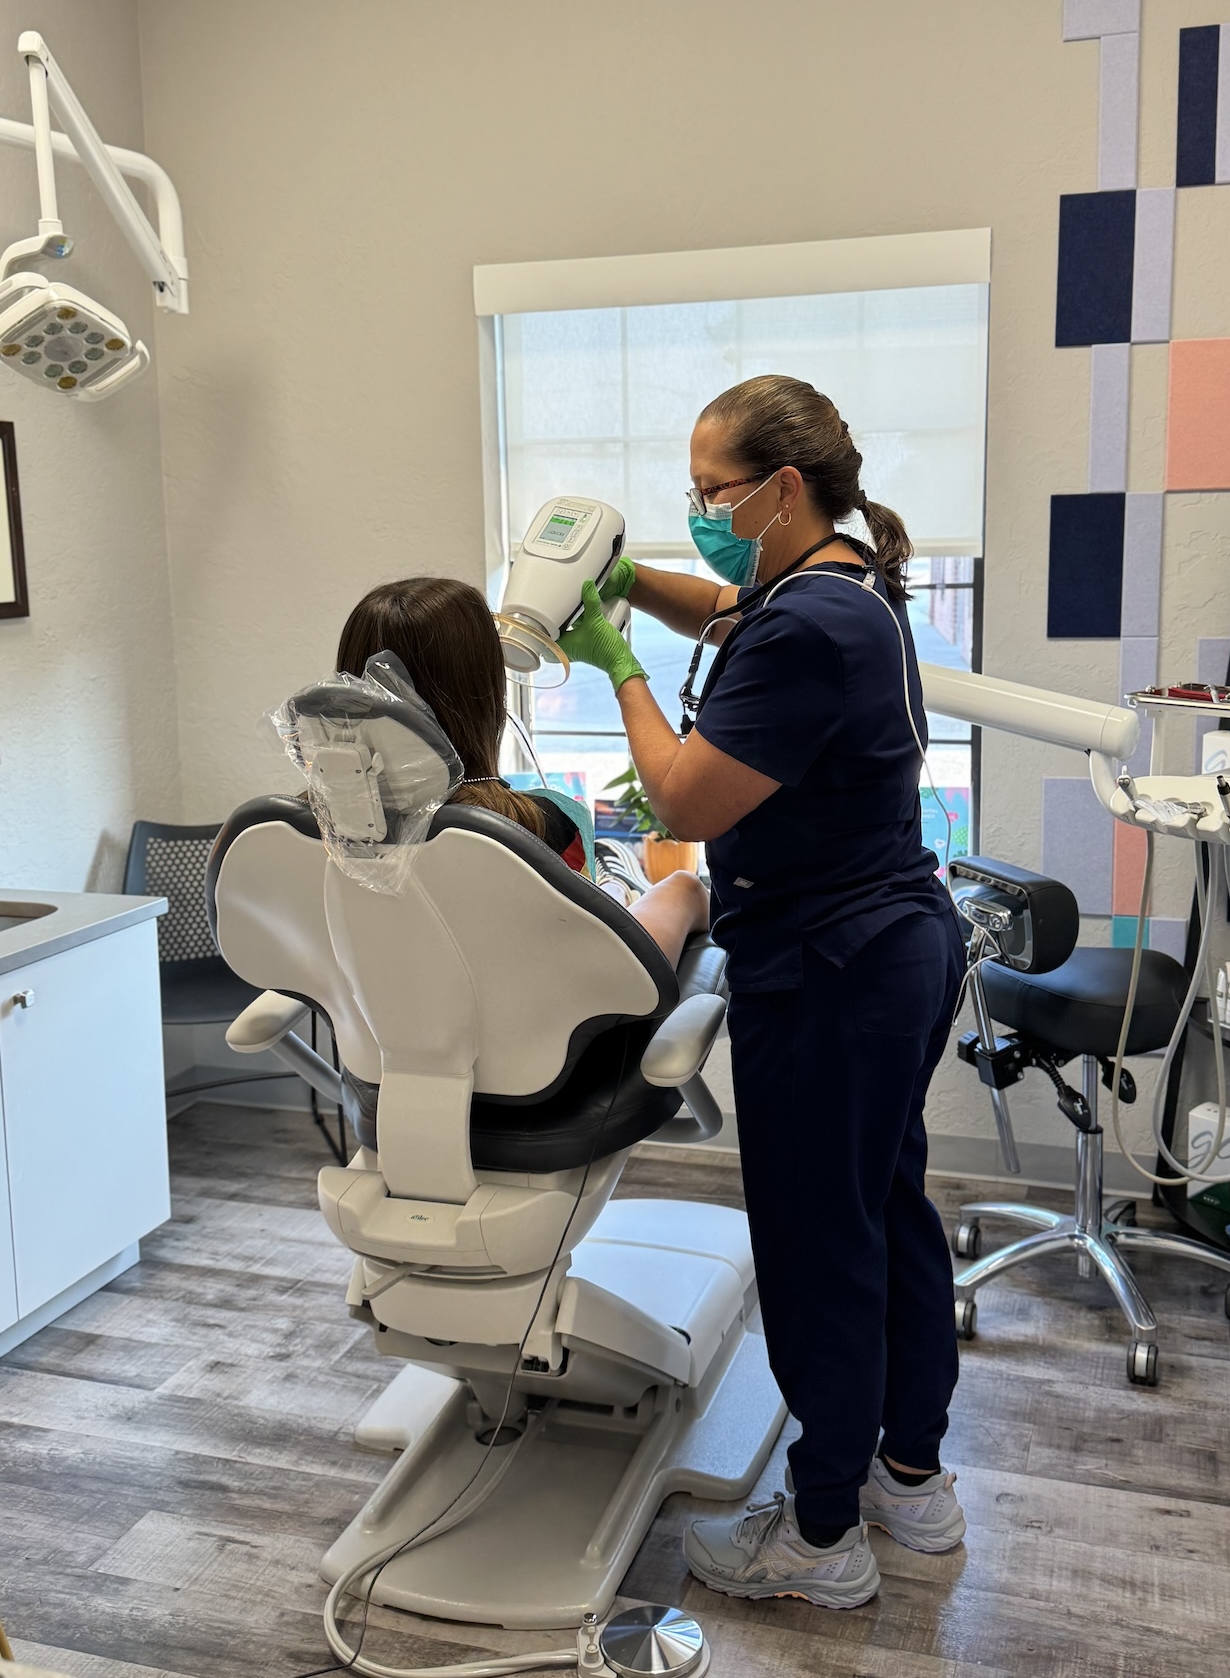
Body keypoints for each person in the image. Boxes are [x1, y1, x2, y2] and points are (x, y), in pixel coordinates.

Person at [557, 374, 966, 1611]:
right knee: (887, 1215)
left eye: (714, 494)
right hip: (891, 948)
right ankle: (910, 1480)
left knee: (816, 1247)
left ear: (784, 488)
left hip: (832, 975)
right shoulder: (840, 584)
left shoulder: (805, 629)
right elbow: (721, 606)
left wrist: (613, 664)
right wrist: (622, 581)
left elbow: (682, 800)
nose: (701, 515)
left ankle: (824, 1537)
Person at [334, 576, 709, 969]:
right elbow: (590, 960)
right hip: (560, 1019)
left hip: (386, 1025)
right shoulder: (538, 824)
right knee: (686, 888)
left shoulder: (315, 826)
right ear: (483, 690)